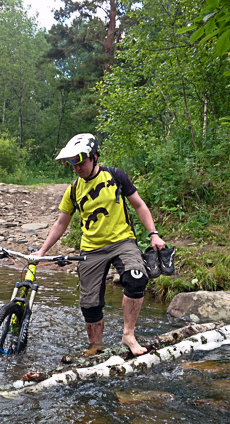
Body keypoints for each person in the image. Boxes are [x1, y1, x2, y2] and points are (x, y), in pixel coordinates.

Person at [34, 133, 167, 356]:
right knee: (89, 304)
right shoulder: (74, 189)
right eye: (71, 163)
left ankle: (128, 336)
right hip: (91, 249)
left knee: (136, 279)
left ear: (94, 157)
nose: (76, 167)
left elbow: (139, 205)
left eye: (80, 161)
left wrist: (154, 234)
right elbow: (60, 223)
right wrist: (42, 251)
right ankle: (96, 347)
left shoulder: (115, 176)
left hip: (122, 241)